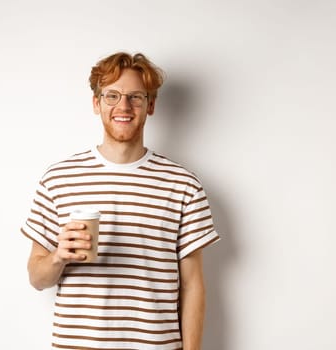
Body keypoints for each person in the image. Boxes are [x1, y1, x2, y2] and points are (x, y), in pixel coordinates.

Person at [22, 52, 220, 350]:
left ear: (150, 105)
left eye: (135, 97)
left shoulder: (183, 185)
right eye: (111, 95)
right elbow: (37, 279)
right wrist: (57, 257)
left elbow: (193, 286)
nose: (123, 106)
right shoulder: (58, 178)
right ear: (96, 103)